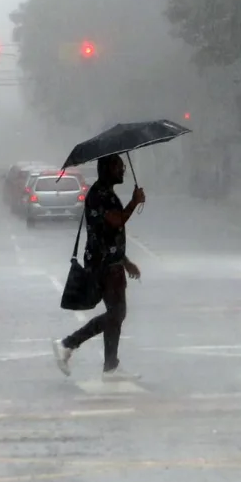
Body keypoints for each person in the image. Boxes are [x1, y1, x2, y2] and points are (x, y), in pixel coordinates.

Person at [52, 154, 145, 381]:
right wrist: (134, 202)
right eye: (118, 167)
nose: (122, 171)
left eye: (123, 167)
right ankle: (68, 344)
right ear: (106, 169)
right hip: (104, 266)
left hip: (111, 262)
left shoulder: (105, 193)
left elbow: (108, 235)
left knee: (116, 313)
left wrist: (125, 261)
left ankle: (110, 366)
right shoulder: (99, 195)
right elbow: (116, 221)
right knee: (117, 313)